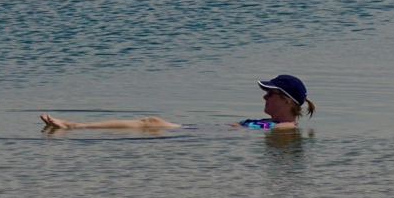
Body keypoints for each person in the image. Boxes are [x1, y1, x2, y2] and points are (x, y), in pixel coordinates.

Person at [39, 74, 315, 132]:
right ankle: (75, 126)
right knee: (150, 122)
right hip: (204, 131)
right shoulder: (272, 124)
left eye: (270, 93)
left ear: (285, 100)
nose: (264, 97)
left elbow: (284, 134)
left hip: (203, 135)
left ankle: (75, 127)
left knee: (150, 123)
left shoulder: (285, 128)